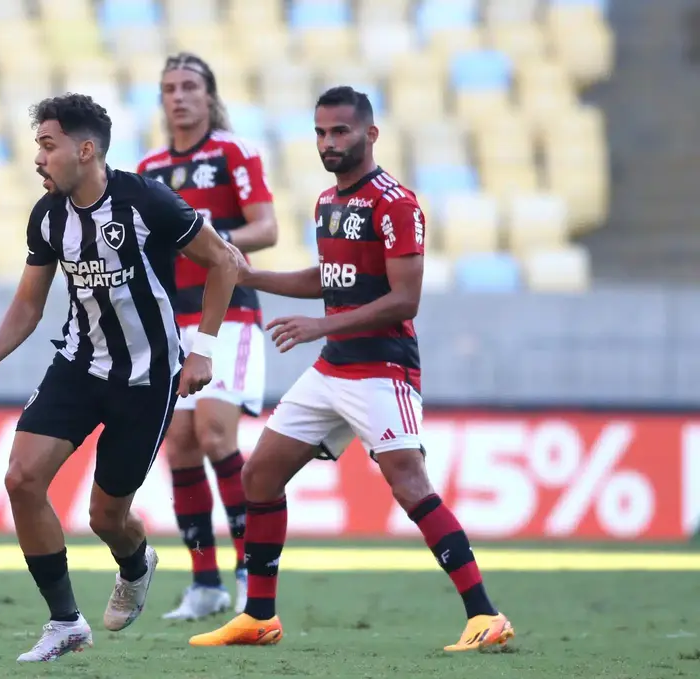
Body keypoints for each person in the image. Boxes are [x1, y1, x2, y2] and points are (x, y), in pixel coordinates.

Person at [189, 87, 515, 651]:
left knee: (411, 486)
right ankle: (260, 615)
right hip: (333, 369)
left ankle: (485, 615)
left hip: (382, 369)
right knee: (259, 475)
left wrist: (320, 326)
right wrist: (251, 277)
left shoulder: (397, 203)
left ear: (370, 134)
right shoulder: (327, 203)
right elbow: (328, 279)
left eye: (340, 131)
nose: (328, 142)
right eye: (320, 132)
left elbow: (404, 300)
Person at [0, 93, 242, 663]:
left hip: (148, 379)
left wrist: (202, 350)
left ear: (86, 150)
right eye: (37, 146)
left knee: (106, 516)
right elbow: (30, 305)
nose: (38, 158)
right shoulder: (48, 215)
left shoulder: (146, 200)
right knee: (21, 479)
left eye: (47, 145)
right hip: (80, 364)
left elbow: (224, 261)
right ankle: (65, 622)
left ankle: (135, 562)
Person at [137, 52, 278, 621]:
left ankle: (251, 572)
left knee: (217, 433)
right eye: (169, 87)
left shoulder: (232, 152)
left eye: (189, 85)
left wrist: (205, 239)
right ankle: (205, 582)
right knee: (179, 445)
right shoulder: (148, 168)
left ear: (209, 94)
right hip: (175, 318)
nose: (178, 96)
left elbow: (266, 227)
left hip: (230, 313)